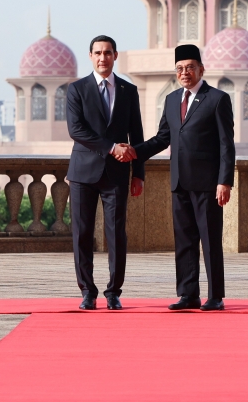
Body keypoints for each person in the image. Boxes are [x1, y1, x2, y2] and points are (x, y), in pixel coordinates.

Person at [133, 44, 235, 311]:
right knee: (184, 240)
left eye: (190, 67)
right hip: (179, 182)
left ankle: (216, 296)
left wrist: (224, 181)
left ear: (201, 69)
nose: (185, 72)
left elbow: (227, 144)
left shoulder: (217, 99)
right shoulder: (171, 100)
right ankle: (188, 293)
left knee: (210, 241)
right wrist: (134, 152)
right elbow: (162, 138)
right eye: (180, 68)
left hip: (207, 183)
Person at [65, 35, 144, 310]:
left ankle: (114, 292)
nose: (102, 57)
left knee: (116, 234)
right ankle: (87, 291)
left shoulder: (128, 91)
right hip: (83, 173)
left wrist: (139, 174)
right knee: (82, 234)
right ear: (90, 56)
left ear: (115, 56)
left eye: (107, 53)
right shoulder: (76, 89)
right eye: (97, 53)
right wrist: (111, 148)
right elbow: (76, 130)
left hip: (118, 174)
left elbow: (137, 134)